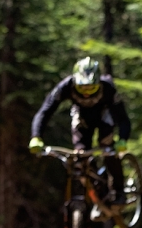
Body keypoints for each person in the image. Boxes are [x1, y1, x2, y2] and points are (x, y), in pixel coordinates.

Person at [28, 56, 131, 206]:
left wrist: (123, 139)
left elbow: (123, 118)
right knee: (81, 155)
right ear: (75, 81)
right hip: (82, 118)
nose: (87, 93)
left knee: (108, 148)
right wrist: (36, 136)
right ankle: (98, 190)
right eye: (82, 88)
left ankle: (118, 190)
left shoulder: (108, 88)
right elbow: (44, 111)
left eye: (91, 88)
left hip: (104, 116)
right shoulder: (65, 86)